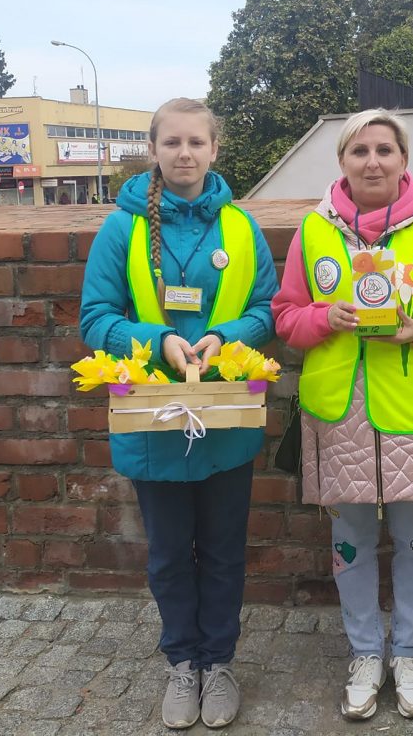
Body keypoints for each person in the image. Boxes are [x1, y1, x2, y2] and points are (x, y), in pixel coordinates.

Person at [272, 109, 413, 722]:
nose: (372, 162)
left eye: (384, 150)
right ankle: (366, 653)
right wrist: (324, 318)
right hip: (339, 411)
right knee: (351, 542)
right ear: (342, 161)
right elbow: (286, 316)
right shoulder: (314, 230)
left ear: (403, 159)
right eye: (359, 151)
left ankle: (409, 655)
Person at [79, 97, 278, 730]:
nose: (185, 153)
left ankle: (218, 663)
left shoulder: (240, 228)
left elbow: (268, 309)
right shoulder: (122, 229)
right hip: (153, 420)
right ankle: (182, 663)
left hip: (224, 418)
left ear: (215, 149)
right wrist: (156, 339)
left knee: (223, 552)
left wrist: (224, 336)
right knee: (167, 555)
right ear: (154, 150)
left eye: (196, 142)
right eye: (172, 143)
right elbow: (94, 318)